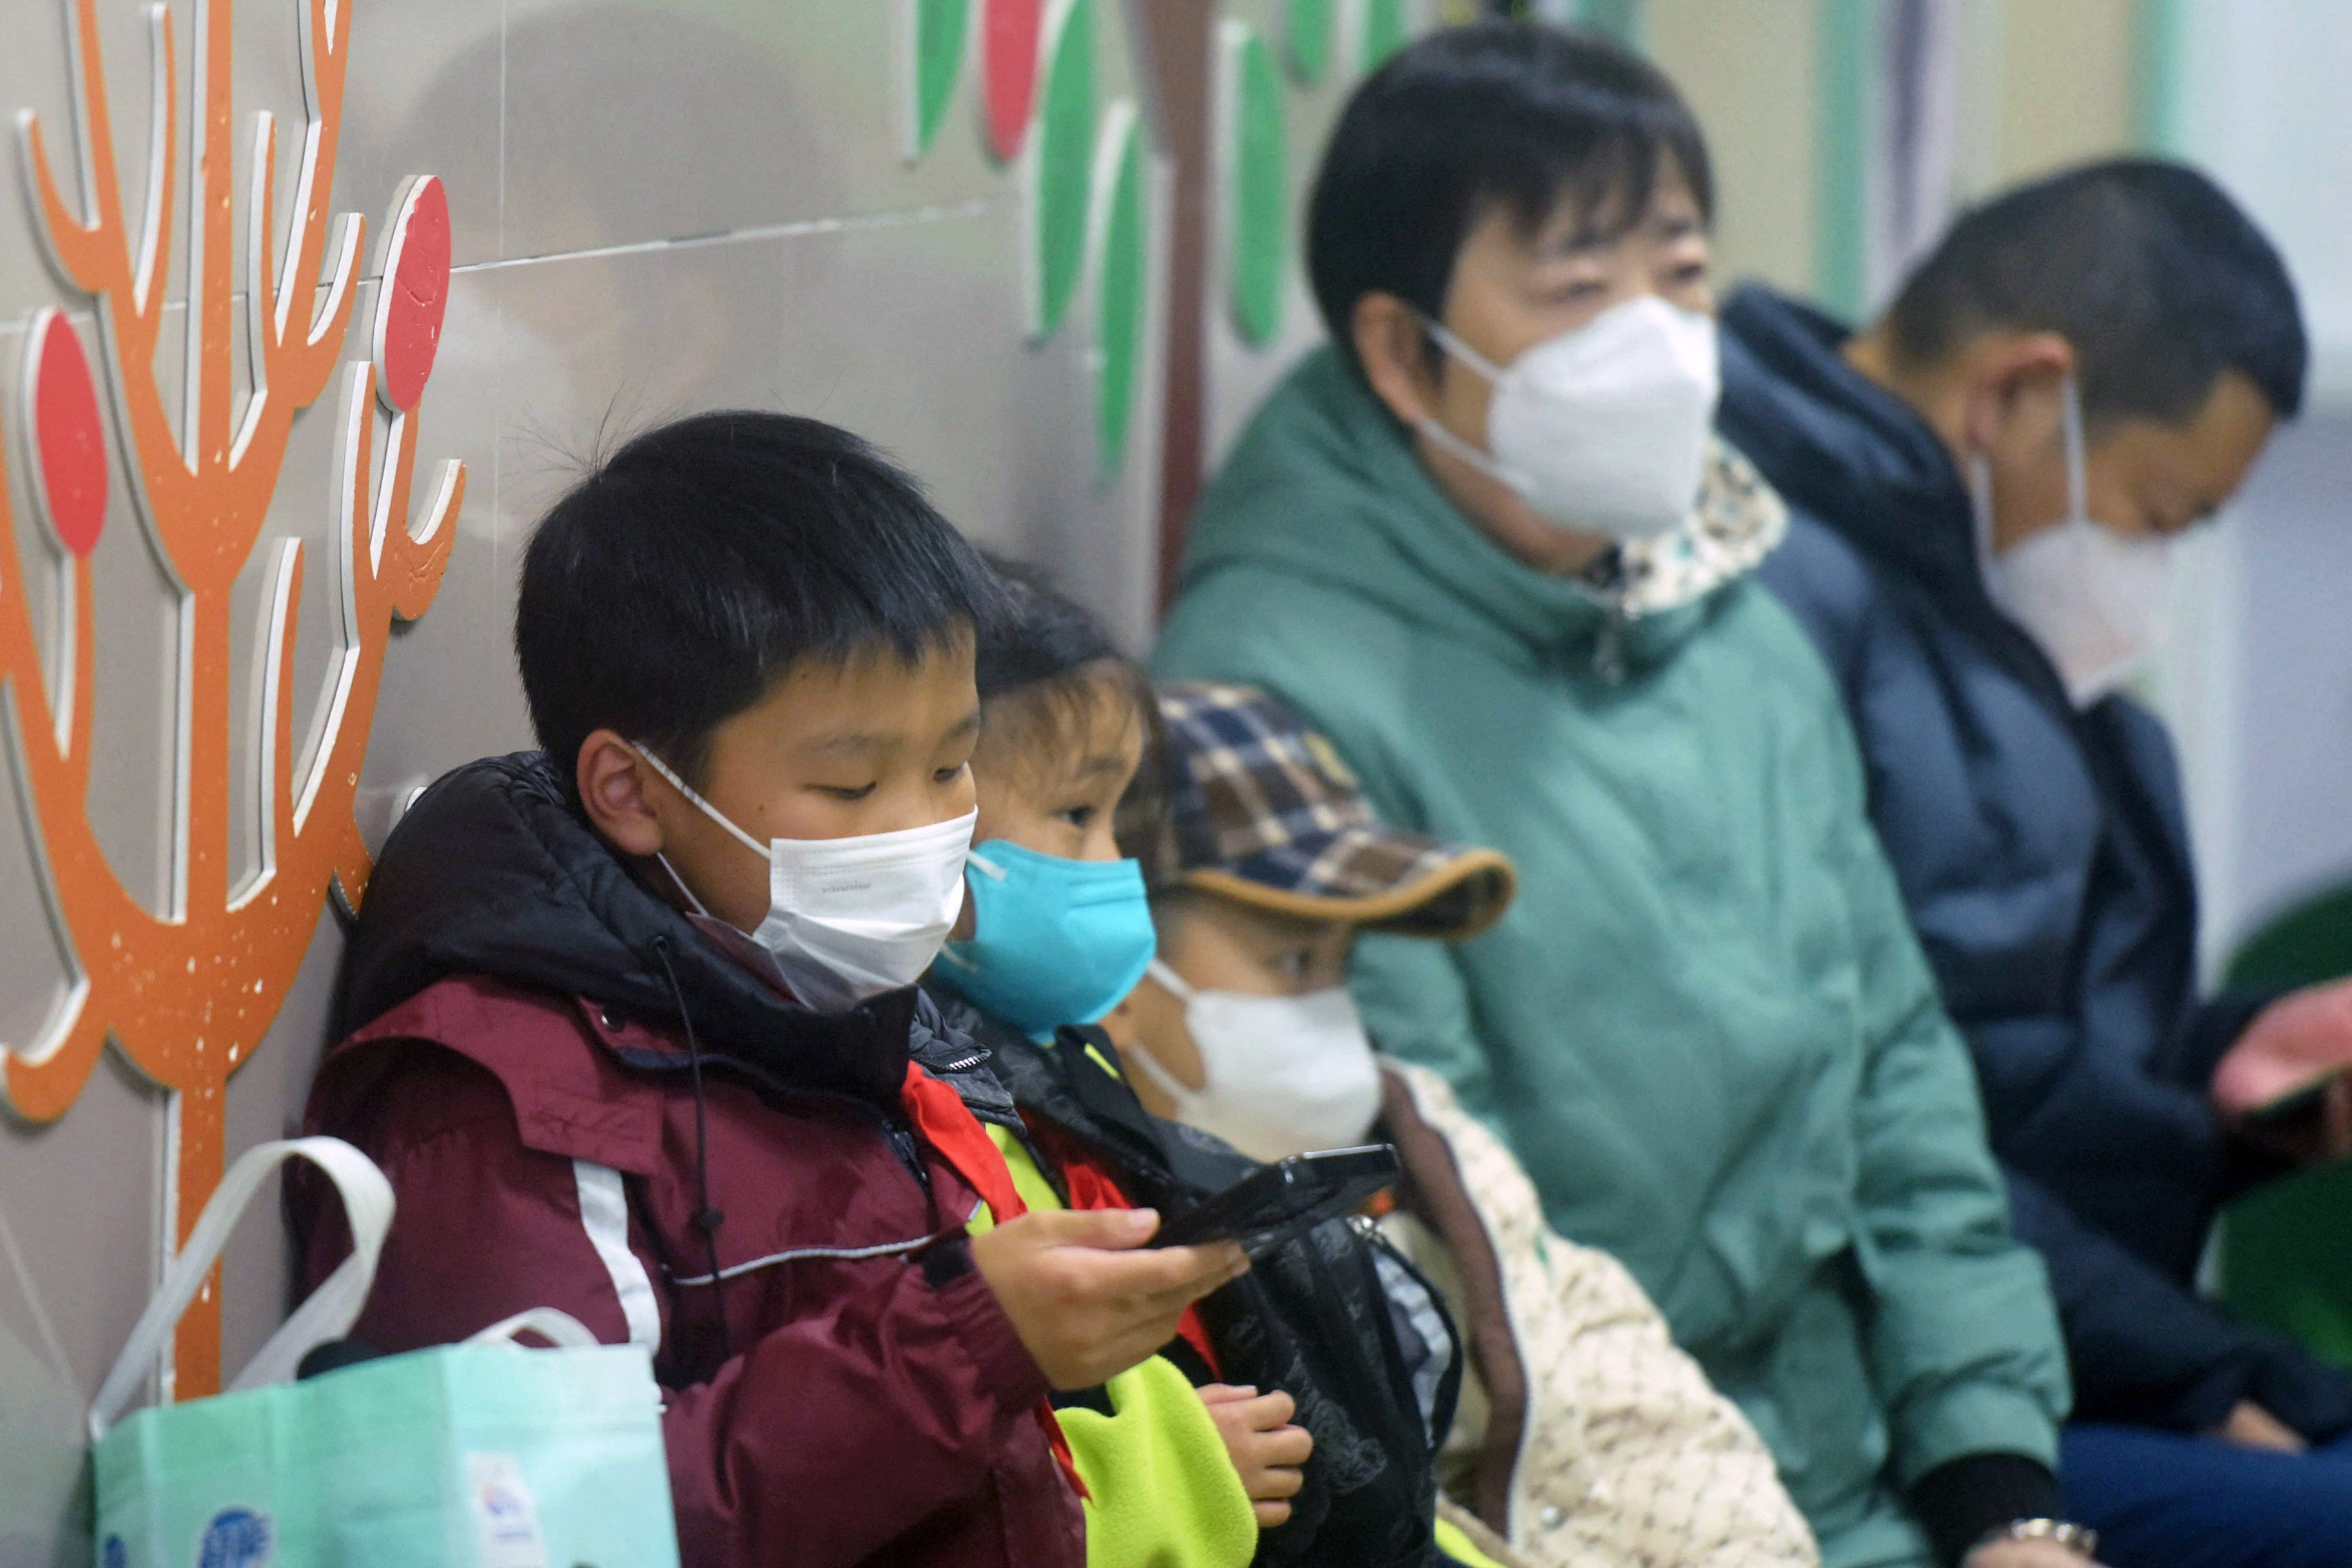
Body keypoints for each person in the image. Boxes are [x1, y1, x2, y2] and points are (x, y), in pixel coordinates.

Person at [1153, 23, 2083, 1568]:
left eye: (1681, 272)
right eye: (1578, 288)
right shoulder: (1266, 690)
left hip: (1871, 1464)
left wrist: (2000, 1487)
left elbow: (1901, 1075)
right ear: (1399, 351)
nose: (1653, 339)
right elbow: (1474, 1227)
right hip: (1598, 1502)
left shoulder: (1730, 609)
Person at [289, 412, 1247, 1567]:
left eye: (951, 767)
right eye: (850, 784)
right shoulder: (505, 1102)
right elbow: (556, 1529)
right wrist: (968, 1340)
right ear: (632, 791)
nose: (920, 828)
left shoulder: (818, 1000)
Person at [1716, 160, 2352, 1564]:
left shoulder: (1964, 595)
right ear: (2016, 396)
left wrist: (2243, 1083)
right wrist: (2203, 1374)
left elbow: (2013, 1052)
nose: (2154, 568)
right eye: (2155, 510)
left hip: (2050, 1328)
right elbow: (1875, 1115)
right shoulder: (1767, 609)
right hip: (1908, 1383)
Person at [1111, 677, 1822, 1568]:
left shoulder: (1434, 1154)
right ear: (1116, 953)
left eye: (1343, 963)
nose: (1332, 1011)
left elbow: (1634, 1401)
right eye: (1291, 958)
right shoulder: (1097, 1231)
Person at [928, 563, 1477, 1567]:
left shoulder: (1068, 1089)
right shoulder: (928, 1129)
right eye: (1074, 814)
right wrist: (1175, 1470)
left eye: (1119, 824)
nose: (1108, 869)